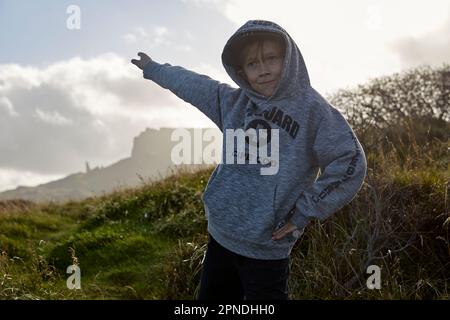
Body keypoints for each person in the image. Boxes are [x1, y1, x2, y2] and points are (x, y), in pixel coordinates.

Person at [131, 19, 367, 300]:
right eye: (253, 64)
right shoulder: (232, 102)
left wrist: (305, 210)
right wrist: (154, 69)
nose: (263, 69)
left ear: (288, 59)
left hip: (268, 246)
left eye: (271, 59)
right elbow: (194, 84)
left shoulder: (314, 111)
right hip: (222, 233)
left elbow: (350, 162)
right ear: (241, 71)